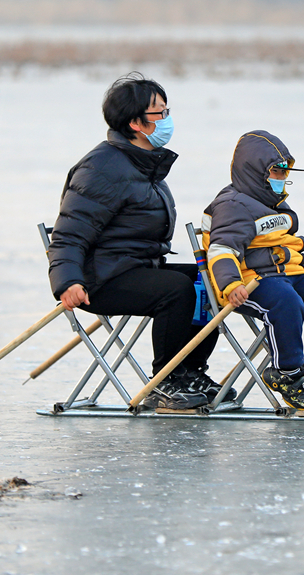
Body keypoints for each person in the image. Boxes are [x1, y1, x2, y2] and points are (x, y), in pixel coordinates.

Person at [46, 74, 229, 410]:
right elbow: (70, 231)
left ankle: (189, 370)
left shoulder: (143, 163)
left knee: (209, 281)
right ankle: (167, 379)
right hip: (99, 280)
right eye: (159, 113)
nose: (167, 119)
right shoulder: (102, 168)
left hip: (135, 268)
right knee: (177, 289)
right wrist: (67, 281)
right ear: (135, 122)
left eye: (167, 110)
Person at [201, 130, 304, 410]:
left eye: (284, 172)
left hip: (283, 275)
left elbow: (282, 245)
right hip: (247, 284)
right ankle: (286, 373)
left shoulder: (271, 202)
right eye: (276, 171)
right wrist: (231, 285)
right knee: (285, 301)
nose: (281, 179)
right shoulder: (233, 205)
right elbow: (222, 250)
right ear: (255, 171)